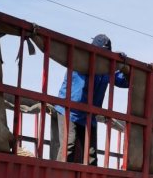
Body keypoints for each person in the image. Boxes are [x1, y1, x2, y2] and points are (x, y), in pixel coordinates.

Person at [54, 34, 130, 164]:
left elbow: (125, 81)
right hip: (69, 110)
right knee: (68, 147)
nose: (103, 58)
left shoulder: (107, 68)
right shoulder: (82, 60)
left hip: (89, 115)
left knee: (91, 155)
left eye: (106, 55)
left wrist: (124, 65)